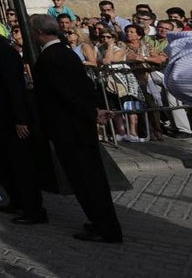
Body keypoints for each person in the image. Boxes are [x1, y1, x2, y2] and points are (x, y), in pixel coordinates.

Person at [28, 14, 123, 243]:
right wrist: (94, 110)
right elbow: (83, 86)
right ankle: (100, 221)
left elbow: (65, 94)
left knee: (86, 180)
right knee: (89, 178)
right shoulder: (65, 52)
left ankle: (105, 227)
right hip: (78, 126)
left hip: (69, 129)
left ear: (39, 33)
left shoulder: (50, 57)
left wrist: (91, 113)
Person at [0, 14, 46, 225]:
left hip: (9, 118)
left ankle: (33, 208)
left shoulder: (4, 51)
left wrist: (21, 119)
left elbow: (14, 87)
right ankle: (17, 200)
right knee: (2, 162)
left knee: (20, 164)